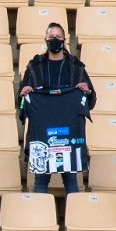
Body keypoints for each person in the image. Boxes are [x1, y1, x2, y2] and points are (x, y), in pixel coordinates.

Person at [19, 22, 96, 193]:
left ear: (65, 40)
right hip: (41, 134)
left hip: (68, 134)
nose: (54, 39)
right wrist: (24, 94)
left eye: (58, 37)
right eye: (51, 36)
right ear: (45, 39)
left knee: (71, 181)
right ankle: (39, 219)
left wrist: (87, 91)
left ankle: (75, 218)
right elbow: (22, 104)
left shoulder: (77, 67)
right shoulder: (34, 67)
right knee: (40, 180)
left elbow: (90, 100)